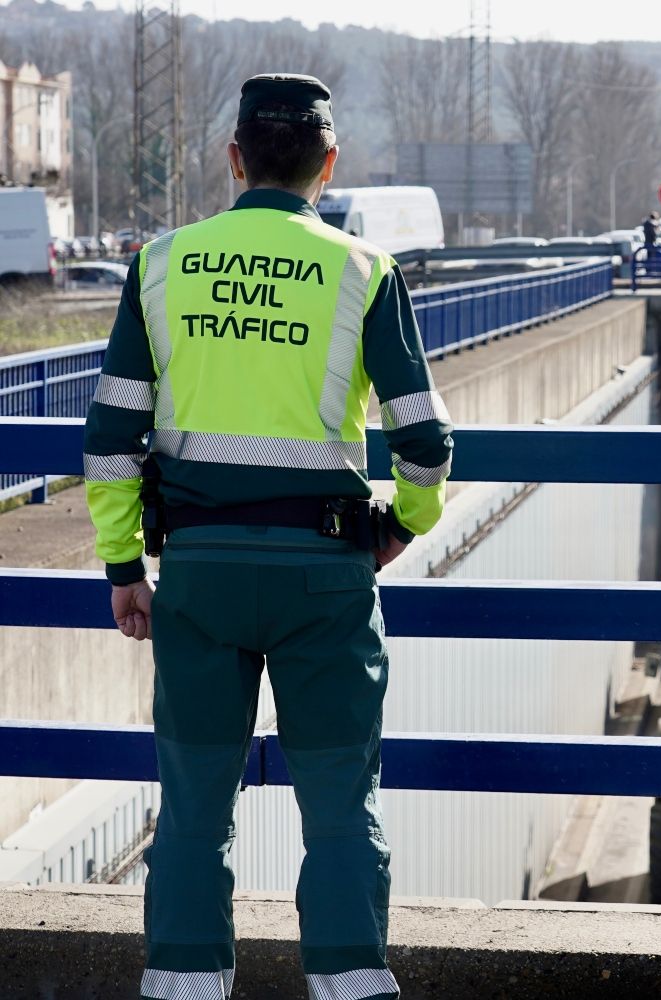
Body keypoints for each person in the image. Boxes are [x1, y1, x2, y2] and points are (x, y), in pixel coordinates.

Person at [83, 73, 453, 1000]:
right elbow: (425, 439)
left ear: (235, 157)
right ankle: (353, 985)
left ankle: (181, 987)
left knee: (194, 814)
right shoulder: (363, 270)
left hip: (199, 577)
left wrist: (126, 564)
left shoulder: (163, 263)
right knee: (337, 813)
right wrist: (399, 528)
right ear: (329, 165)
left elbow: (112, 435)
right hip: (326, 576)